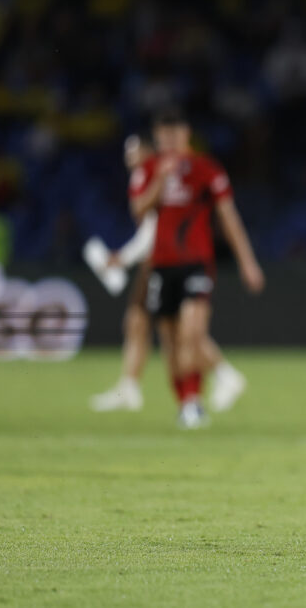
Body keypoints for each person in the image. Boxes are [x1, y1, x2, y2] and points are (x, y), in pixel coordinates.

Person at [88, 134, 247, 414]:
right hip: (157, 261)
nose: (130, 158)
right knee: (140, 323)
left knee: (176, 331)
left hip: (164, 263)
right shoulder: (148, 176)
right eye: (127, 153)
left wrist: (122, 259)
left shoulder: (156, 176)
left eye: (135, 151)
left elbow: (155, 232)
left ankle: (219, 377)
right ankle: (132, 385)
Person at [129, 110, 264, 428]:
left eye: (175, 131)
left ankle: (196, 402)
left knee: (192, 332)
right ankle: (186, 403)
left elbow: (228, 217)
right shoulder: (147, 169)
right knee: (170, 339)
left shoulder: (205, 169)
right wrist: (161, 179)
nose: (170, 138)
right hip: (160, 264)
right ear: (157, 135)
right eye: (164, 132)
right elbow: (138, 211)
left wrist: (248, 262)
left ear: (186, 133)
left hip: (196, 263)